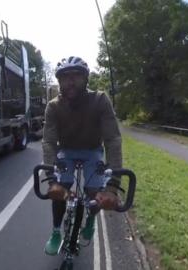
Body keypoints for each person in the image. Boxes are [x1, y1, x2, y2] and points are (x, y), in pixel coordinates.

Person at [42, 56, 123, 255]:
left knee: (96, 191)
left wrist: (112, 185)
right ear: (59, 82)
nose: (70, 82)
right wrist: (51, 179)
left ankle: (91, 221)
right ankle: (55, 232)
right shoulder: (53, 106)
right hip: (66, 151)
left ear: (86, 79)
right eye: (65, 77)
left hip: (93, 151)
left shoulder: (100, 100)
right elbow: (49, 142)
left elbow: (112, 140)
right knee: (59, 190)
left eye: (76, 76)